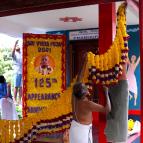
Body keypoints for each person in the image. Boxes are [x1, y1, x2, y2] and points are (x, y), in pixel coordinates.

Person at [69, 54, 111, 143]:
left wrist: (84, 62)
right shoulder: (88, 104)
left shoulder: (74, 96)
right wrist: (106, 92)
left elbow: (79, 78)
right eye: (85, 87)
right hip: (82, 133)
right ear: (86, 93)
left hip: (74, 129)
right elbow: (107, 110)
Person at [104, 64, 129, 143]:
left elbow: (107, 109)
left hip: (117, 83)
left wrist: (105, 92)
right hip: (116, 82)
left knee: (118, 114)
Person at [12, 40, 22, 105]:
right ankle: (14, 100)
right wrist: (15, 43)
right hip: (17, 72)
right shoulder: (14, 54)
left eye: (18, 45)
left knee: (21, 87)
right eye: (16, 46)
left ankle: (20, 101)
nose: (17, 46)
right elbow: (12, 53)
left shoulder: (22, 53)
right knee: (16, 86)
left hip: (22, 72)